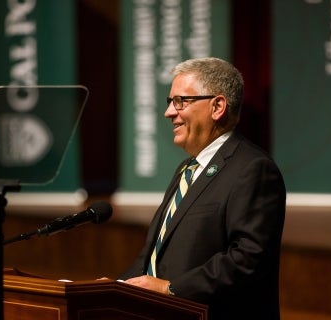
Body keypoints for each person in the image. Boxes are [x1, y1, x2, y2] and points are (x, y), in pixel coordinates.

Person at [119, 57, 286, 320]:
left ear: (217, 106)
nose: (169, 112)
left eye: (180, 101)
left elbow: (248, 258)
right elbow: (152, 255)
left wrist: (172, 289)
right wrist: (113, 289)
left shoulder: (253, 169)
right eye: (169, 102)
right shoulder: (186, 169)